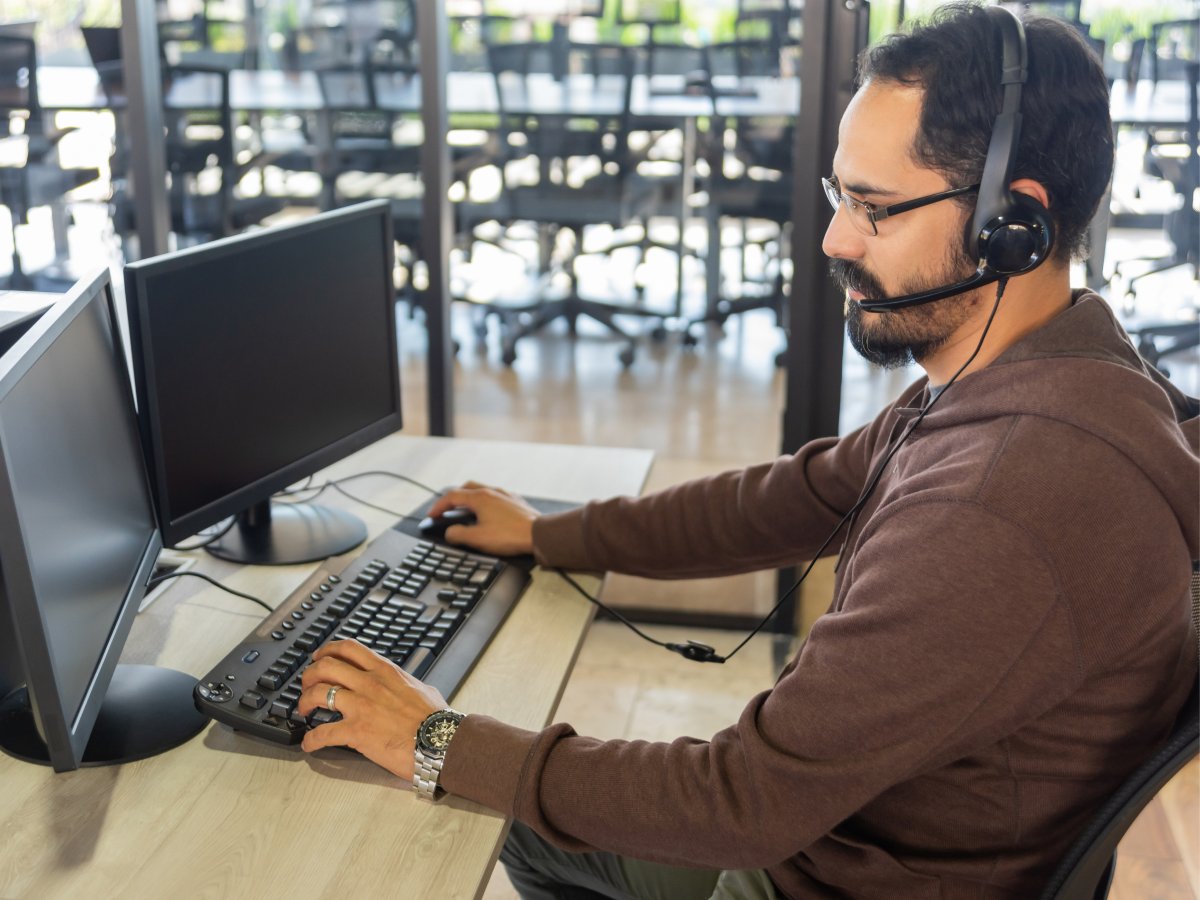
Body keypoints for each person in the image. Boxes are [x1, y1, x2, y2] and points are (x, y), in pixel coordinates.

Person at [296, 5, 1200, 898]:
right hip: (858, 831)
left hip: (843, 880)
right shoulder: (1052, 369)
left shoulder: (1005, 504)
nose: (834, 239)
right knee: (530, 831)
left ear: (1016, 223)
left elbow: (741, 800)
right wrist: (552, 535)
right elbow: (794, 499)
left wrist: (438, 738)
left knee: (479, 809)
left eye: (875, 210)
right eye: (839, 194)